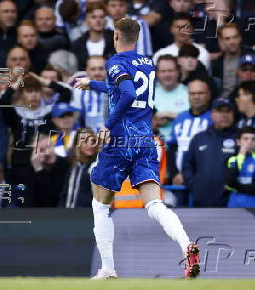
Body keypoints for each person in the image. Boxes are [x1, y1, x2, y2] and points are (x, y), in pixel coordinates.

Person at [74, 17, 200, 279]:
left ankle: (107, 268)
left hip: (121, 140)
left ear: (116, 36)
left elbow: (129, 93)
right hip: (146, 139)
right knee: (154, 204)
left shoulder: (115, 62)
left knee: (100, 206)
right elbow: (126, 91)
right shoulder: (147, 62)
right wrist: (92, 84)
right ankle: (187, 245)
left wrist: (108, 124)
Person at [183, 98, 237, 207]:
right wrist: (195, 186)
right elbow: (187, 165)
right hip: (201, 201)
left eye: (228, 111)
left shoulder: (241, 138)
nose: (224, 115)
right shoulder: (199, 138)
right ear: (211, 114)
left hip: (232, 202)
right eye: (220, 111)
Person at [166, 79, 213, 205]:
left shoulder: (214, 118)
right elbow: (171, 148)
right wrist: (175, 174)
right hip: (178, 182)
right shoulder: (180, 118)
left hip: (203, 182)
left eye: (200, 93)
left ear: (208, 95)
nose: (196, 97)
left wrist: (190, 176)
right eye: (192, 93)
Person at [59, 127, 97, 208]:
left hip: (87, 216)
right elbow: (64, 193)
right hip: (67, 215)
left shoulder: (98, 166)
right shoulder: (72, 166)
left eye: (93, 141)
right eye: (85, 141)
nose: (90, 144)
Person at [154, 54, 189, 141]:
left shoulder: (189, 92)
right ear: (157, 73)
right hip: (155, 146)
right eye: (163, 71)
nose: (167, 74)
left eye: (170, 70)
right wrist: (155, 122)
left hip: (183, 143)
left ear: (178, 72)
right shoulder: (148, 94)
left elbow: (199, 119)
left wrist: (175, 116)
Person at [71, 2, 115, 71]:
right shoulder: (78, 45)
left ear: (106, 20)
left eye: (101, 17)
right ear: (86, 20)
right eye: (93, 17)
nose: (98, 20)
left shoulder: (116, 41)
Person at [226, 127, 255, 208]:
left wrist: (234, 187)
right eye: (245, 139)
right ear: (238, 142)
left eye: (253, 139)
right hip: (234, 204)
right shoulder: (232, 159)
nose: (249, 142)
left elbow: (230, 185)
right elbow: (230, 181)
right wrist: (241, 155)